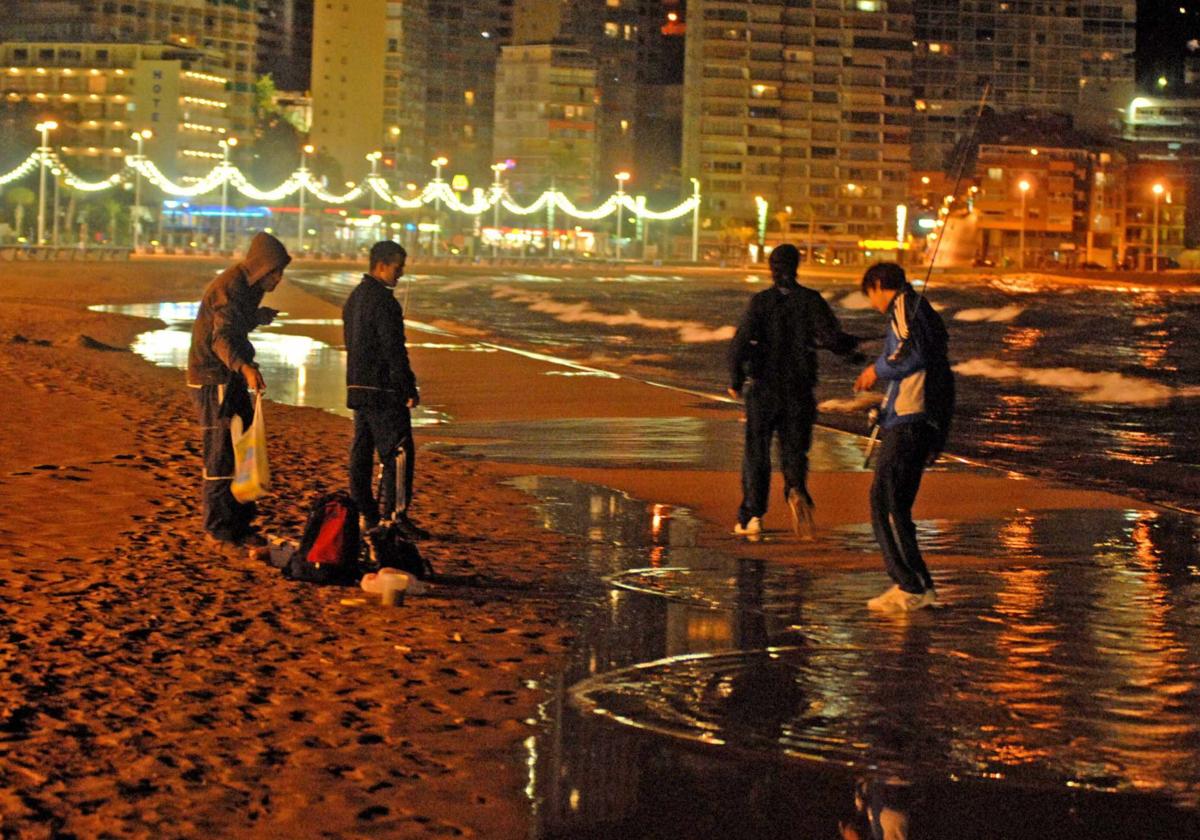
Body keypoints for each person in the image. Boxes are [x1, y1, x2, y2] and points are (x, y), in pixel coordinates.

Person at [727, 243, 860, 538]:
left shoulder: (760, 303)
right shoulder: (811, 300)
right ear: (797, 266)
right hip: (799, 388)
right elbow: (832, 337)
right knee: (795, 450)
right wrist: (854, 353)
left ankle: (752, 516)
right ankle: (796, 488)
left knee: (756, 453)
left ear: (771, 269)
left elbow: (739, 343)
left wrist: (735, 380)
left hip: (764, 389)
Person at [853, 262, 954, 612]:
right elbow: (924, 369)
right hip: (916, 420)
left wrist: (874, 370)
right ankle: (922, 586)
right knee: (898, 506)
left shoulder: (904, 307)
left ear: (880, 285)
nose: (871, 303)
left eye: (870, 295)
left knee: (884, 503)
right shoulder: (918, 312)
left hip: (909, 423)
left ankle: (908, 584)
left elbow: (912, 357)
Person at [187, 231, 291, 549]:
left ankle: (241, 522)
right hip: (213, 377)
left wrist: (255, 317)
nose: (279, 280)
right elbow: (221, 338)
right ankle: (219, 527)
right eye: (276, 272)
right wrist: (245, 367)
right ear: (262, 267)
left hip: (229, 376)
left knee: (244, 449)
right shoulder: (231, 286)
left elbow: (234, 324)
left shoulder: (248, 288)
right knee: (221, 452)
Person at [343, 240, 427, 539]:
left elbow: (352, 343)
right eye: (397, 267)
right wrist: (407, 386)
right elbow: (394, 350)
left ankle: (366, 512)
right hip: (383, 389)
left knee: (362, 452)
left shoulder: (354, 299)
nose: (400, 274)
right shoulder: (384, 302)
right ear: (381, 265)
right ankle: (394, 517)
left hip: (357, 385)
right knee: (399, 452)